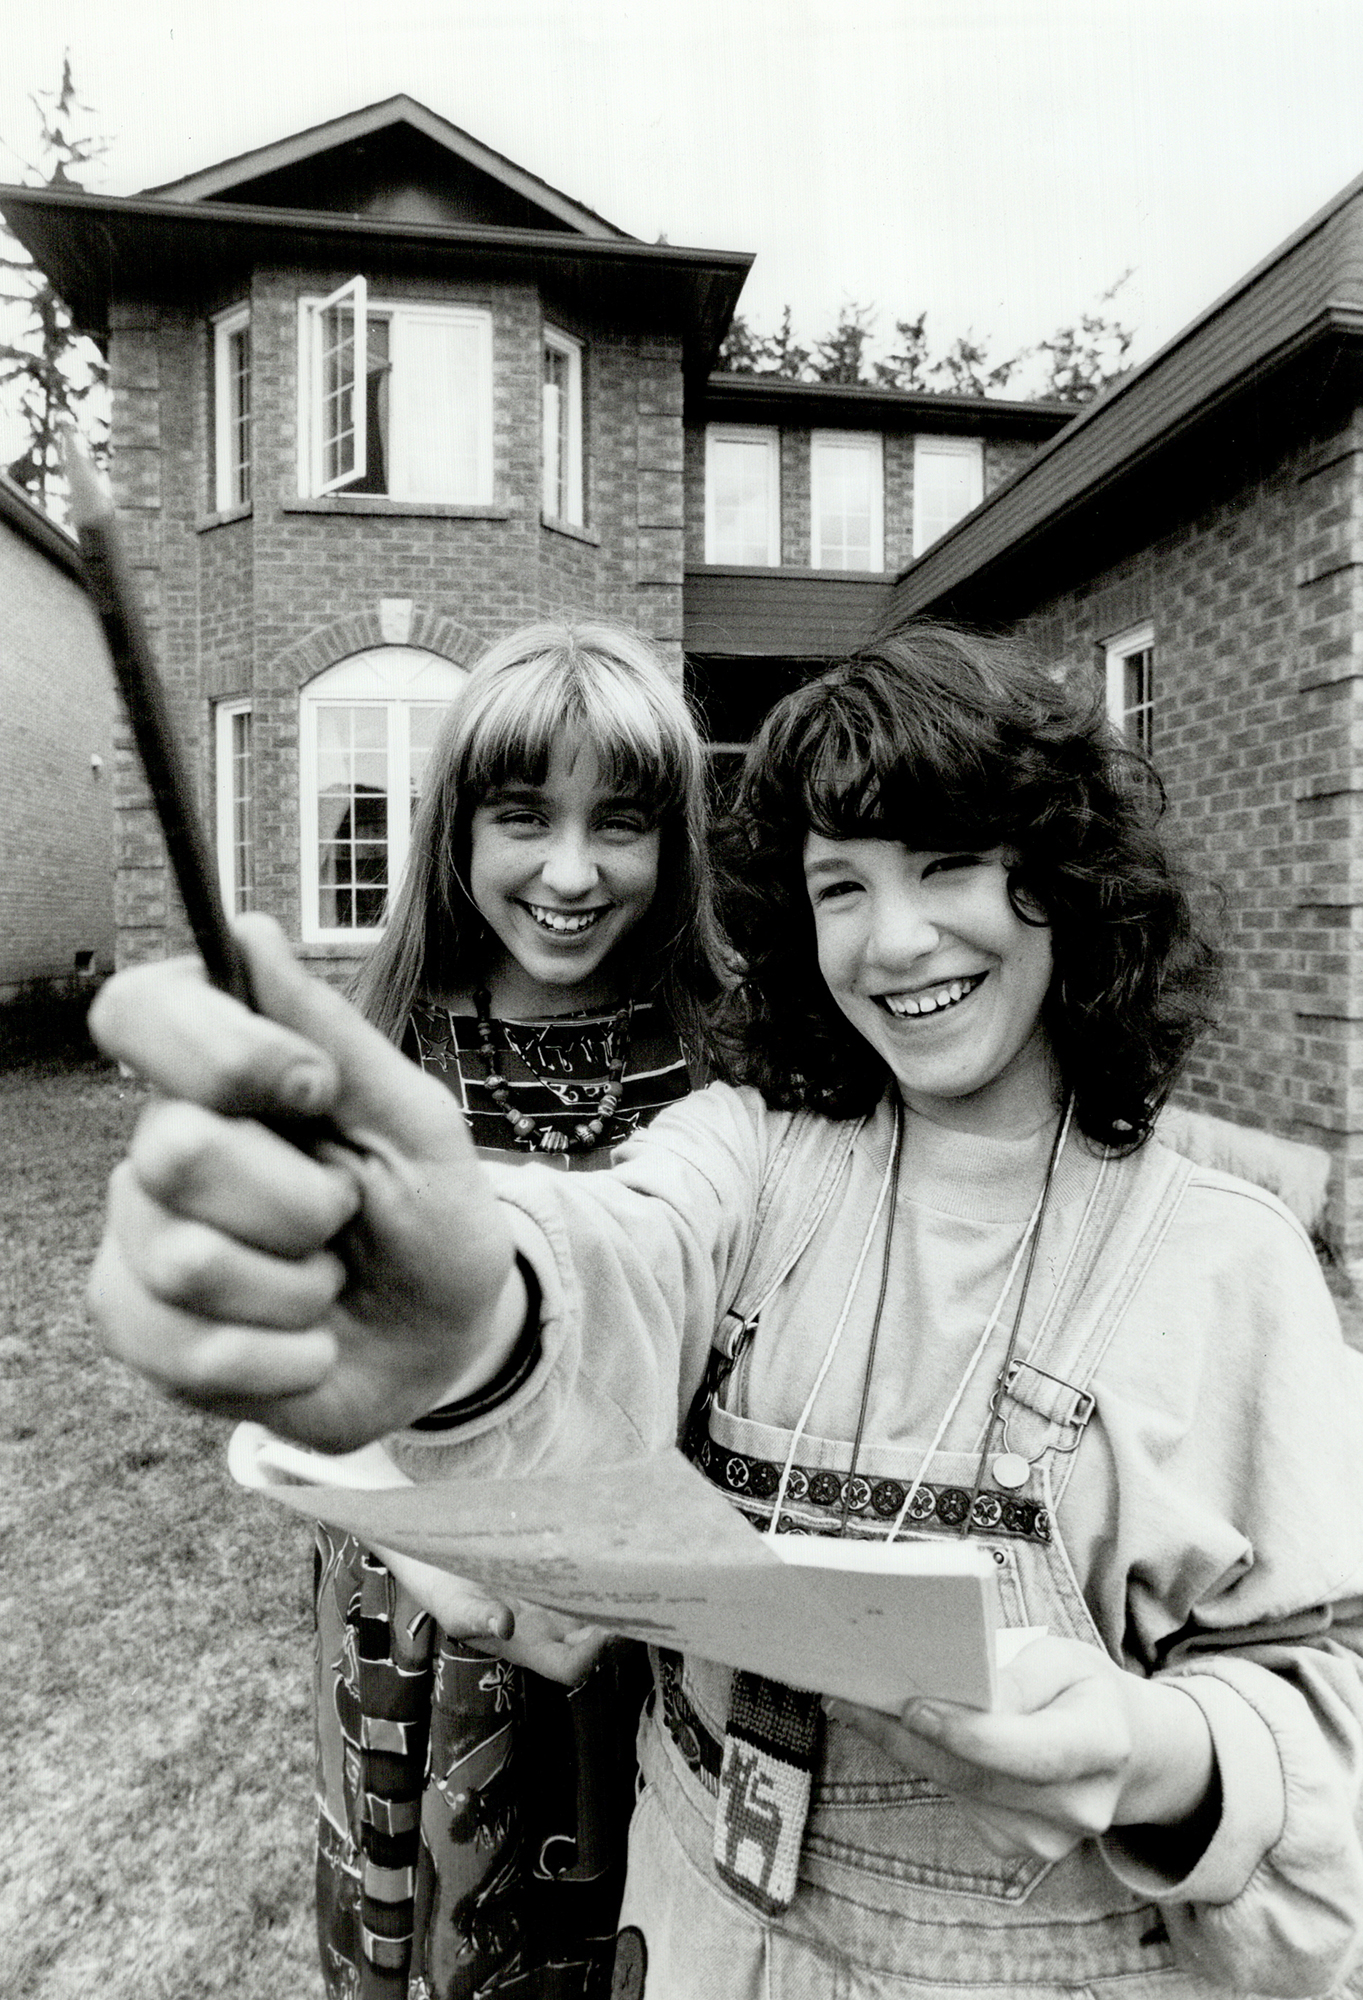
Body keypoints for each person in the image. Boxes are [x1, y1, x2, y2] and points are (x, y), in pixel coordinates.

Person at [88, 624, 1363, 1999]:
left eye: (947, 865)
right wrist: (468, 1320)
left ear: (1064, 878)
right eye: (841, 885)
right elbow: (611, 1263)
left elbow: (1327, 1708)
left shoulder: (1227, 1259)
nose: (896, 938)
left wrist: (1164, 1760)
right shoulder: (746, 1153)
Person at [293, 622, 723, 1999]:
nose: (572, 873)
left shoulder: (727, 1051)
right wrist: (432, 1563)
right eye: (525, 817)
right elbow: (311, 1368)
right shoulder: (377, 1057)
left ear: (675, 841)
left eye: (622, 822)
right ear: (456, 832)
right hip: (434, 1616)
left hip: (672, 1627)